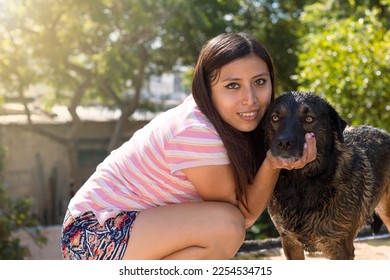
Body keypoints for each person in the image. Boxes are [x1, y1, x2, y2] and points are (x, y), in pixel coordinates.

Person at [61, 32, 316, 260]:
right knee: (225, 226)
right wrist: (273, 163)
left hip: (122, 228)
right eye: (232, 86)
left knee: (224, 226)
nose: (249, 99)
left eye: (259, 82)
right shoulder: (196, 131)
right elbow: (244, 215)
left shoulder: (228, 123)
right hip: (91, 235)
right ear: (207, 89)